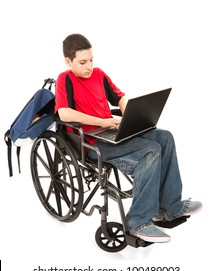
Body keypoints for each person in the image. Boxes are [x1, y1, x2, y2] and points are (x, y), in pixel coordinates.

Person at [54, 33, 202, 243]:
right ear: (68, 61)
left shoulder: (98, 74)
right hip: (91, 141)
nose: (89, 66)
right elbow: (64, 114)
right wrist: (102, 122)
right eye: (83, 62)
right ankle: (138, 222)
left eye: (91, 60)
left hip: (111, 131)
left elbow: (120, 97)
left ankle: (170, 208)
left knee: (165, 138)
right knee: (151, 151)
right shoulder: (65, 79)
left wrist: (129, 117)